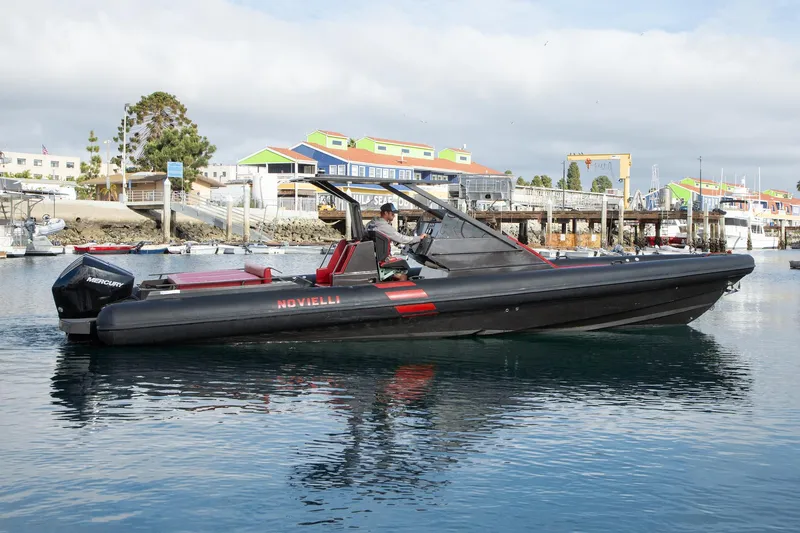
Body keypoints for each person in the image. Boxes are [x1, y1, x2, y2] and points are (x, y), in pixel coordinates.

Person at [366, 202, 428, 281]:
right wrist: (419, 238)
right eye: (392, 214)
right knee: (404, 271)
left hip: (374, 258)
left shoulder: (370, 224)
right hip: (383, 259)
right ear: (385, 213)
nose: (394, 216)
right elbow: (401, 238)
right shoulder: (384, 226)